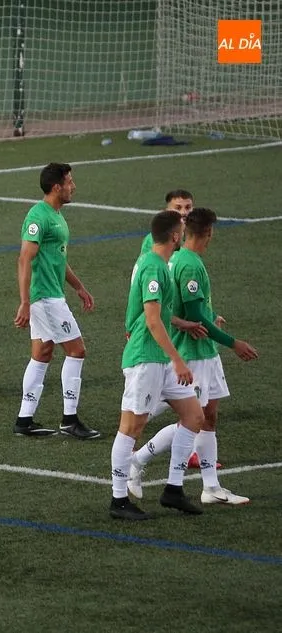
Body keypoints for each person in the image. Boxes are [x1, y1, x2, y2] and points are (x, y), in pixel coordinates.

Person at [128, 208, 258, 505]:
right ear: (207, 233)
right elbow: (194, 312)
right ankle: (138, 459)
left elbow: (190, 310)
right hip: (192, 354)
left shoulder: (182, 260)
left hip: (205, 352)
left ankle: (210, 487)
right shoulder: (188, 264)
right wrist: (234, 343)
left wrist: (211, 317)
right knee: (193, 418)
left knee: (208, 416)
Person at [110, 210, 206, 520]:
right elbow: (152, 321)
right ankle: (118, 500)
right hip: (146, 358)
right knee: (131, 428)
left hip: (158, 358)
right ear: (175, 236)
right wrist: (178, 359)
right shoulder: (153, 266)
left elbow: (157, 315)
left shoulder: (158, 263)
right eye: (182, 228)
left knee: (194, 415)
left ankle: (173, 489)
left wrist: (182, 326)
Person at [13, 163, 99, 439]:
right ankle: (69, 419)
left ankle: (24, 420)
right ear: (56, 187)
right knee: (77, 350)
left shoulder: (56, 215)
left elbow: (58, 259)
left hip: (51, 295)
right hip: (45, 298)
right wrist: (25, 302)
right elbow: (24, 259)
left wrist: (79, 287)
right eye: (69, 182)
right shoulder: (38, 216)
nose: (74, 186)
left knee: (42, 354)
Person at [139, 189, 194, 255]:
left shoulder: (197, 234)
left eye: (188, 207)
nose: (184, 212)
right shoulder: (154, 238)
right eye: (178, 208)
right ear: (168, 211)